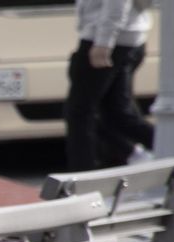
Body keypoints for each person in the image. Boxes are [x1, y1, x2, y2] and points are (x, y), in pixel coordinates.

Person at [63, 0, 156, 172]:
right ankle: (169, 148)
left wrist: (103, 43)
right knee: (117, 113)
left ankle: (83, 176)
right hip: (128, 39)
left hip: (106, 41)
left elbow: (117, 5)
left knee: (80, 112)